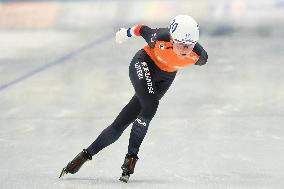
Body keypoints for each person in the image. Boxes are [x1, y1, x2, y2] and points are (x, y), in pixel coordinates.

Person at [59, 15, 208, 183]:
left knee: (122, 122)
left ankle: (85, 155)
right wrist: (125, 33)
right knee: (151, 104)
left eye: (190, 45)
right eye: (181, 43)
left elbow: (196, 55)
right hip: (144, 62)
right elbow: (142, 29)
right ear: (172, 39)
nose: (185, 49)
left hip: (164, 78)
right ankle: (131, 157)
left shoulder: (199, 56)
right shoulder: (160, 37)